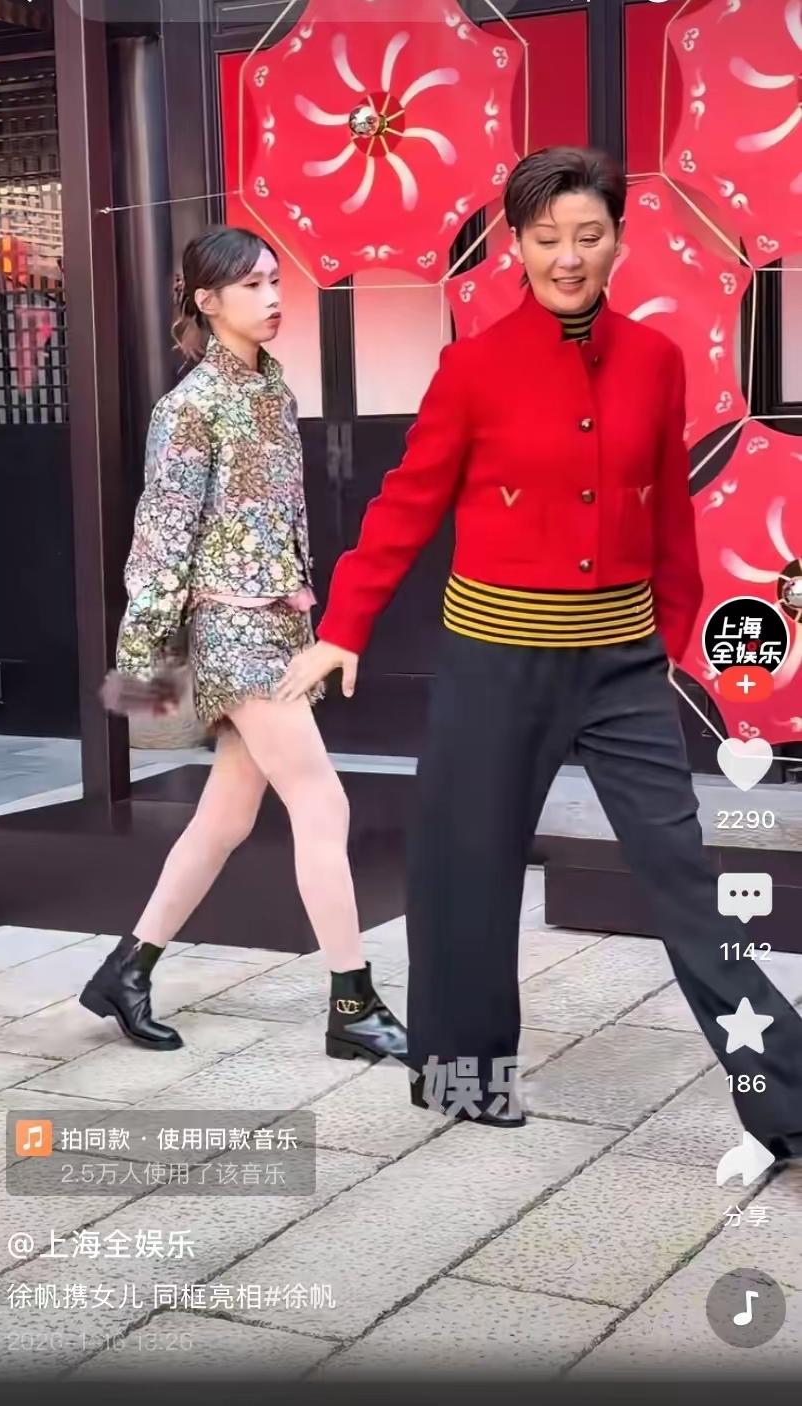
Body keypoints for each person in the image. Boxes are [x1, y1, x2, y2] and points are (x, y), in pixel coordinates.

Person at [275, 146, 802, 1151]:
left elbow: (668, 508)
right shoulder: (472, 368)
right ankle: (462, 1076)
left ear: (618, 241)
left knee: (686, 878)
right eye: (547, 237)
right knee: (466, 872)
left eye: (589, 235)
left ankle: (789, 1098)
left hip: (621, 665)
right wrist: (344, 625)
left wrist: (672, 631)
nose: (569, 256)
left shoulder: (656, 359)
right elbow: (405, 504)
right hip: (495, 664)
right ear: (515, 244)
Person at [79, 225, 407, 1066]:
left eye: (273, 280)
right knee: (322, 803)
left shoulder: (274, 389)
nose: (271, 297)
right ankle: (352, 1003)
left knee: (225, 818)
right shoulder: (187, 408)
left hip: (281, 623)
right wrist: (143, 673)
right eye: (251, 285)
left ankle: (126, 970)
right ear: (206, 301)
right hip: (233, 632)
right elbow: (159, 542)